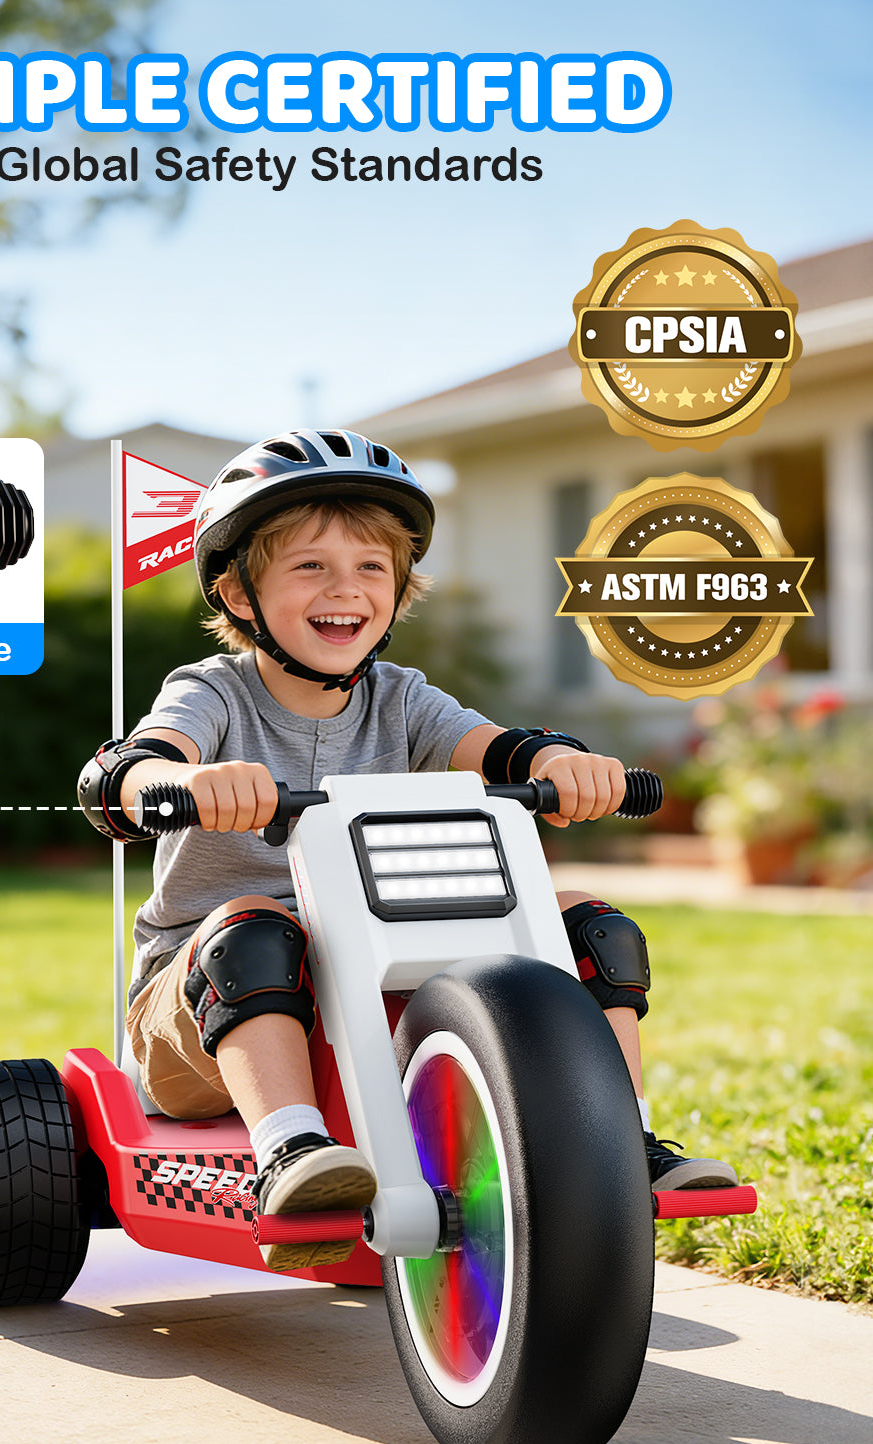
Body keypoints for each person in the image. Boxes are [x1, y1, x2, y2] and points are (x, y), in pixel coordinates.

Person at [79, 429, 737, 1271]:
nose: (345, 588)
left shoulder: (402, 700)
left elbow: (496, 748)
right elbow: (145, 758)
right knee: (256, 928)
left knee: (587, 926)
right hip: (205, 1012)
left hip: (372, 981)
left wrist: (563, 765)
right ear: (240, 594)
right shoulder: (213, 692)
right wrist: (162, 782)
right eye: (309, 566)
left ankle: (620, 1137)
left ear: (398, 591)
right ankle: (291, 1151)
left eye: (371, 568)